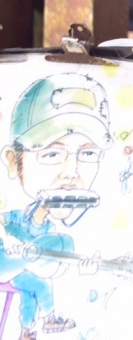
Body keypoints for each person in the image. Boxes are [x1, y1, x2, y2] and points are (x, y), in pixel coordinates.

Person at [1, 72, 112, 340]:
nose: (71, 173)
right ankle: (43, 320)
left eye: (87, 153)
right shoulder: (12, 217)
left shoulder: (53, 229)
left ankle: (30, 328)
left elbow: (49, 261)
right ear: (14, 161)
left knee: (35, 283)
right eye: (51, 153)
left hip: (27, 274)